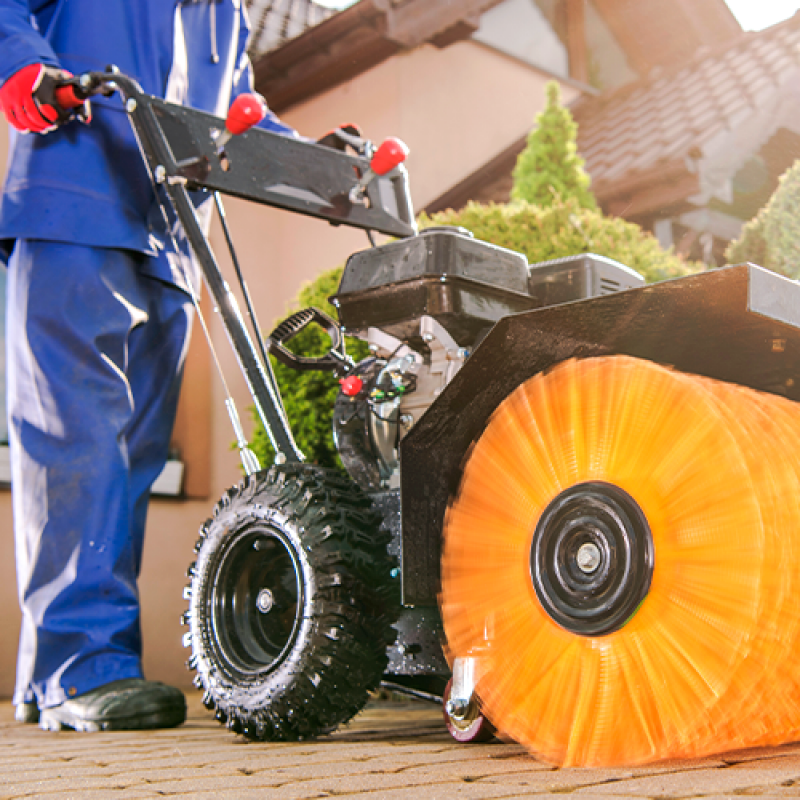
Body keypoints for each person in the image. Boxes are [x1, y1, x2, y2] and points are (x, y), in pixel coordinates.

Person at [0, 0, 297, 732]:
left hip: (170, 246)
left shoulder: (225, 17)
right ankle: (82, 668)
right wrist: (28, 71)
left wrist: (318, 155)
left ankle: (63, 673)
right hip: (74, 207)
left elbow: (240, 119)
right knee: (78, 442)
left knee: (131, 461)